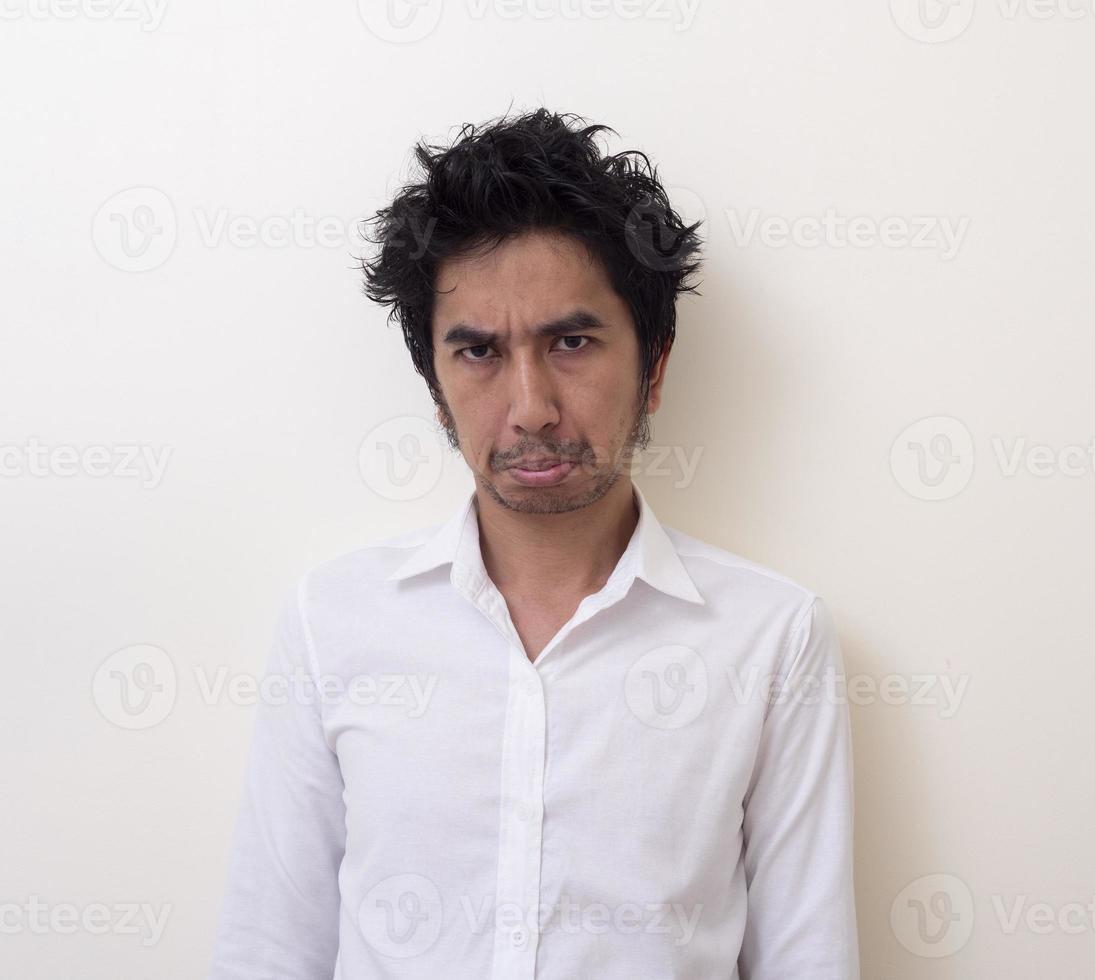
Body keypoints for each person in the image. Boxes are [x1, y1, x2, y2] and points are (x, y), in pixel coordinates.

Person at [209, 107, 859, 979]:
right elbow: (268, 950)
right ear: (435, 388)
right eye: (477, 352)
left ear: (654, 364)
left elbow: (807, 960)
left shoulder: (772, 638)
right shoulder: (333, 621)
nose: (530, 408)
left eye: (572, 342)